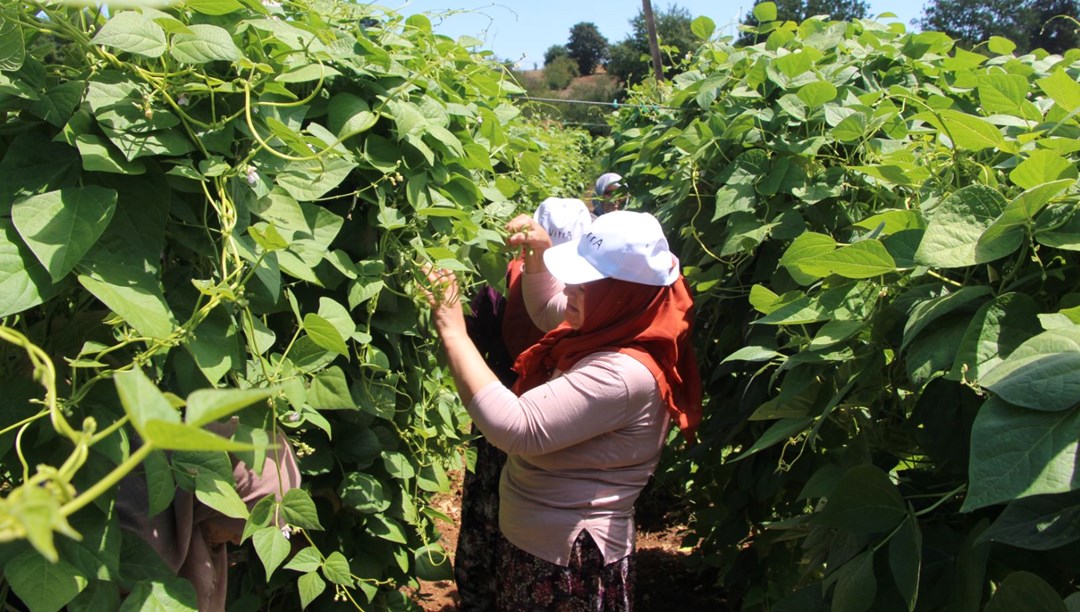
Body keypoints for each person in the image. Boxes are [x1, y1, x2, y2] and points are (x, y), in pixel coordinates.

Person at [424, 210, 701, 610]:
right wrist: (539, 254)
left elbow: (515, 426)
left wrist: (452, 329)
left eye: (583, 283)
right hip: (544, 546)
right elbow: (545, 307)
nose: (569, 288)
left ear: (618, 293)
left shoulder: (623, 372)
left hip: (569, 565)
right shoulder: (611, 323)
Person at [455, 197, 591, 610]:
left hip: (498, 403)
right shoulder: (590, 293)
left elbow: (474, 338)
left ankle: (483, 594)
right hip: (563, 423)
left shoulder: (501, 280)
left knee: (489, 511)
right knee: (533, 518)